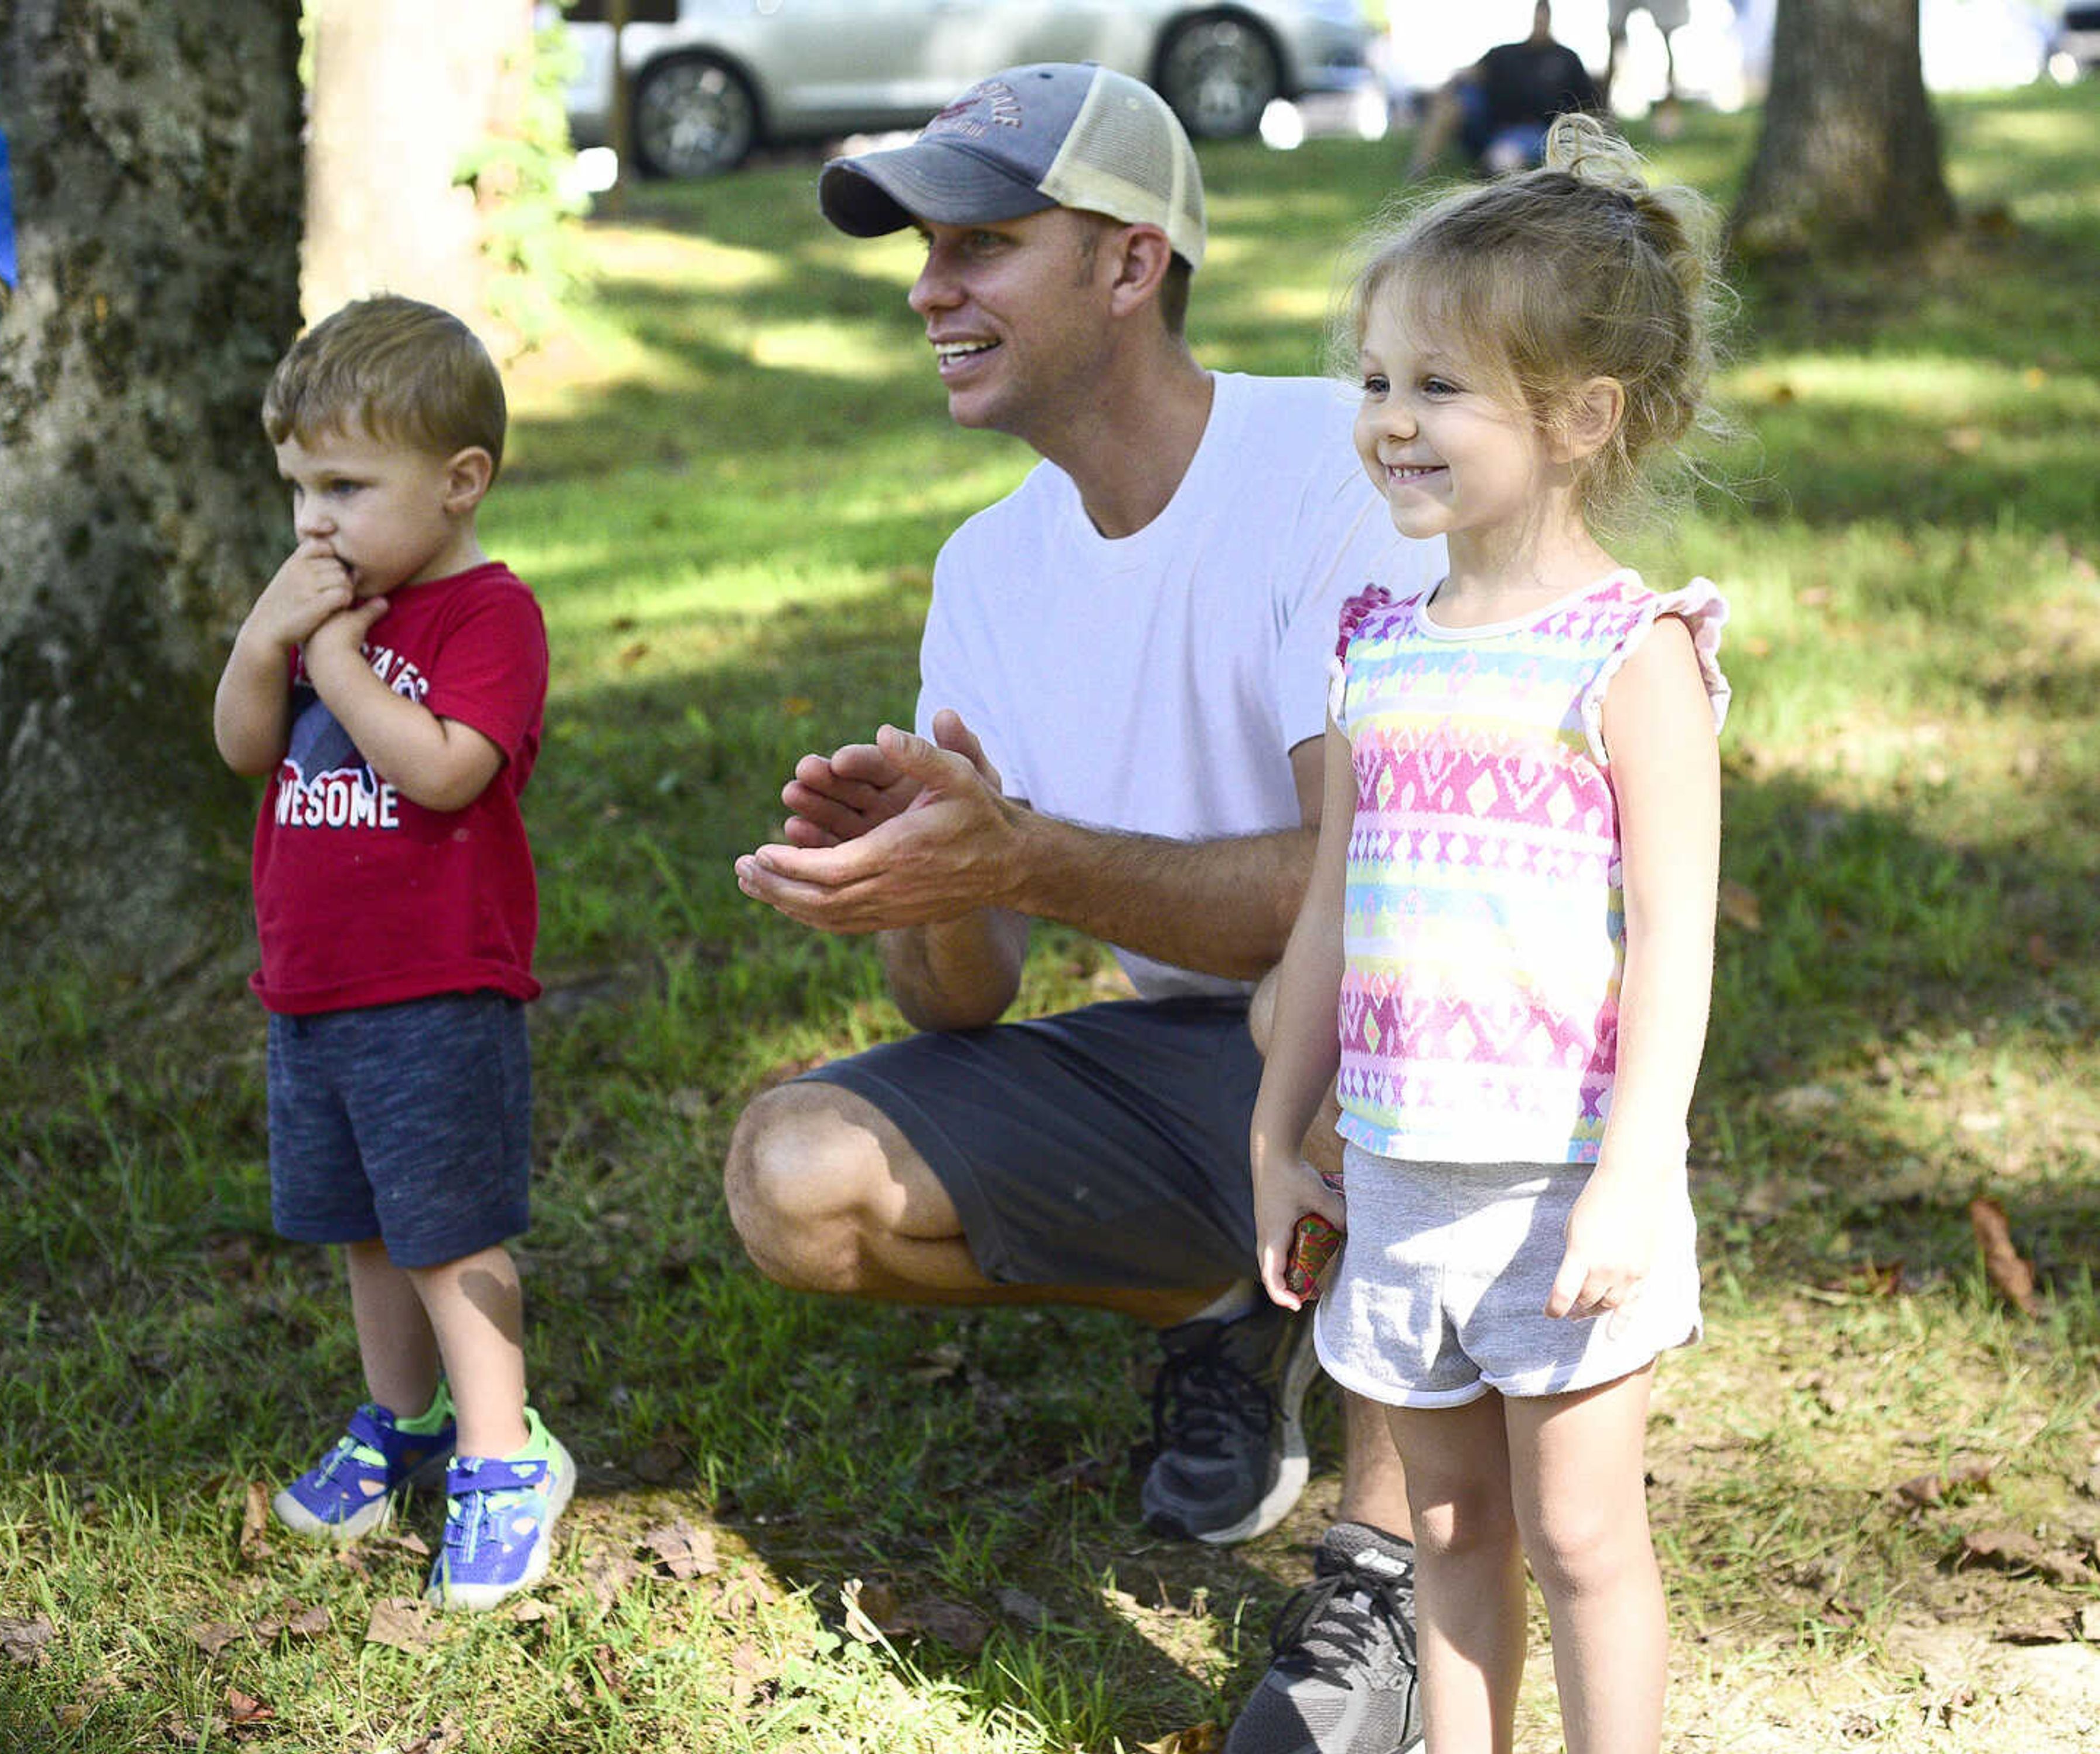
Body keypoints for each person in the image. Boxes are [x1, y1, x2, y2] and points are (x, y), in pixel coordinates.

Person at [729, 62, 1441, 1754]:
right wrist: (913, 872)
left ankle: (1388, 1576)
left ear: (1130, 265)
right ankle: (1225, 1308)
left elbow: (1359, 883)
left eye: (979, 244)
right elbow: (958, 1004)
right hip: (1182, 1058)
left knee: (1350, 991)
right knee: (794, 1182)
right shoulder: (989, 565)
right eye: (924, 251)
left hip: (1378, 1029)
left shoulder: (1326, 474)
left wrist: (1026, 854)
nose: (929, 289)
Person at [1249, 114, 1730, 1754]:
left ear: (1582, 417)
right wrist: (1273, 1126)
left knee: (1585, 1535)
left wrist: (1637, 1166)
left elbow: (1675, 935)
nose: (1391, 420)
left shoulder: (1629, 650)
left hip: (1561, 1180)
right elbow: (1331, 908)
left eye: (1439, 387)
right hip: (1396, 1174)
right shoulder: (1376, 643)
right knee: (1450, 1522)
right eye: (1376, 381)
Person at [212, 294, 570, 1613]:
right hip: (313, 990)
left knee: (448, 1229)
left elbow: (443, 769)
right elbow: (247, 746)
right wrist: (270, 640)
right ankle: (400, 1417)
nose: (316, 518)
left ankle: (504, 1453)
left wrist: (338, 658)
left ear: (460, 482)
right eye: (301, 486)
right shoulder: (315, 612)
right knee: (364, 1229)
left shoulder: (488, 618)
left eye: (349, 486)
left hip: (436, 991)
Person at [1406, 2, 1601, 179]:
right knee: (1451, 104)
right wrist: (1447, 89)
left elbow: (1588, 105)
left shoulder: (1567, 59)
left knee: (1505, 157)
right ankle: (1419, 169)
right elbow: (1469, 74)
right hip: (1491, 125)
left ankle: (1496, 171)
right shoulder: (1504, 54)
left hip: (1535, 130)